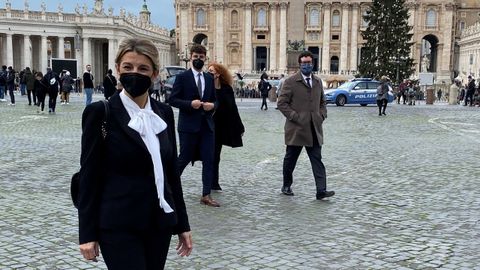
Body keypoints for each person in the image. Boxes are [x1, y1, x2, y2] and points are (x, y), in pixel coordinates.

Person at [78, 38, 192, 269]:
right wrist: (86, 233)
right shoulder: (100, 113)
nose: (134, 73)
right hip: (118, 224)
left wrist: (182, 224)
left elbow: (171, 173)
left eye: (143, 69)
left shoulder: (164, 113)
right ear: (118, 68)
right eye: (128, 67)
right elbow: (89, 176)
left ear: (154, 74)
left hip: (158, 224)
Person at [277, 51, 335, 200]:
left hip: (314, 128)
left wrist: (322, 115)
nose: (307, 65)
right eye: (304, 63)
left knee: (317, 160)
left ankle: (321, 190)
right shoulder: (290, 82)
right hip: (296, 128)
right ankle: (286, 185)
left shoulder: (317, 81)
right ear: (299, 64)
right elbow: (281, 103)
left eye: (309, 63)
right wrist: (295, 117)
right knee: (290, 159)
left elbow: (323, 101)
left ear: (312, 64)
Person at [169, 44, 219, 207]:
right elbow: (173, 99)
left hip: (207, 126)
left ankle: (206, 194)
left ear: (205, 58)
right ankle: (168, 189)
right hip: (188, 126)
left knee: (209, 160)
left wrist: (213, 106)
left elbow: (215, 100)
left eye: (201, 57)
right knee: (183, 158)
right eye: (196, 57)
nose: (198, 59)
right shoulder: (182, 77)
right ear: (191, 57)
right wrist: (190, 104)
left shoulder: (209, 78)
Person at [207, 62, 245, 192]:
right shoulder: (205, 88)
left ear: (218, 73)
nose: (209, 73)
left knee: (216, 155)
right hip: (207, 125)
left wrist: (239, 126)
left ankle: (214, 182)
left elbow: (233, 108)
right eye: (208, 71)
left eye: (211, 71)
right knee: (206, 154)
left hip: (220, 126)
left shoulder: (226, 89)